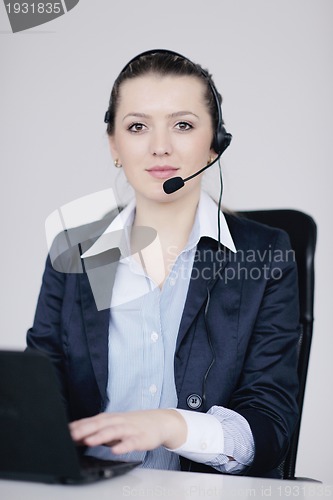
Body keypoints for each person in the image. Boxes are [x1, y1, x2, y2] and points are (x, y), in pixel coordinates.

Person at [27, 49, 300, 478]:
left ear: (215, 145)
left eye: (183, 125)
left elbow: (270, 427)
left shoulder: (265, 256)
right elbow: (40, 398)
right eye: (137, 127)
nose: (159, 147)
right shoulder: (73, 253)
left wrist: (172, 426)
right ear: (114, 145)